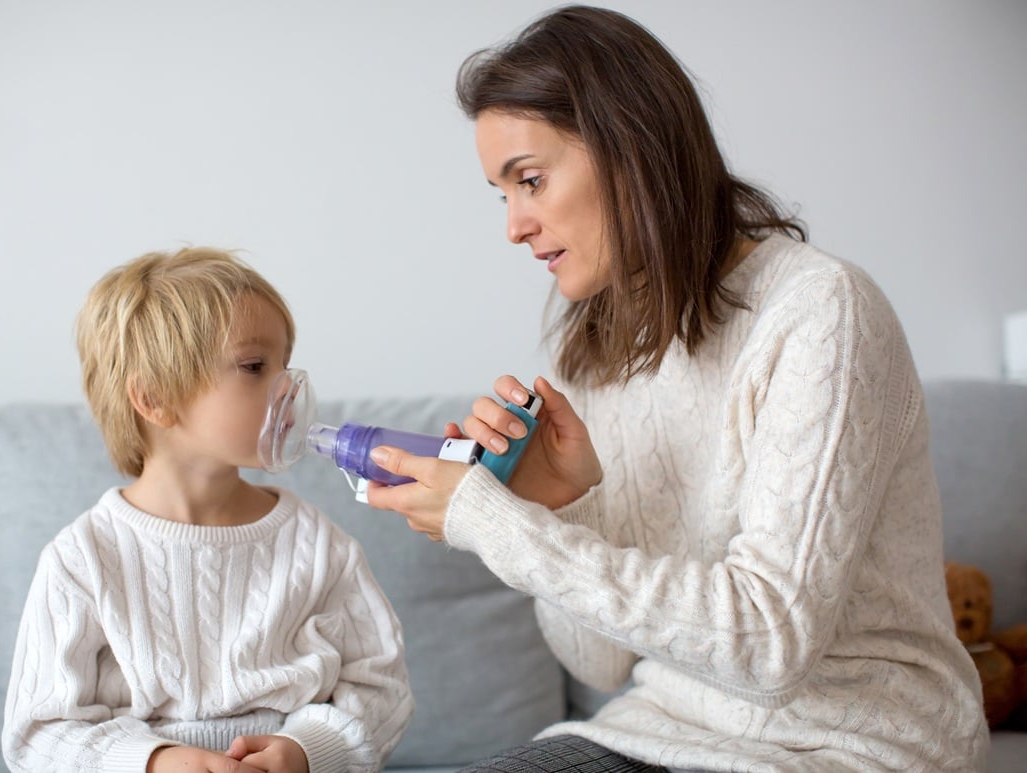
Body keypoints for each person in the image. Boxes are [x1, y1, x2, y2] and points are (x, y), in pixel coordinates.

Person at [366, 5, 987, 772]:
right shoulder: (586, 351)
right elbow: (597, 662)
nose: (514, 226)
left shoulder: (822, 311)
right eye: (503, 194)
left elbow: (769, 644)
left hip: (853, 744)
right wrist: (552, 504)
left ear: (631, 147)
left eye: (529, 180)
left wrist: (493, 523)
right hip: (656, 729)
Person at [2, 247, 414, 773]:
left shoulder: (317, 546)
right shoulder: (83, 560)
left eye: (285, 364)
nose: (286, 388)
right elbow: (38, 732)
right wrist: (154, 762)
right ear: (154, 398)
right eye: (254, 366)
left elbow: (379, 686)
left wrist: (307, 750)